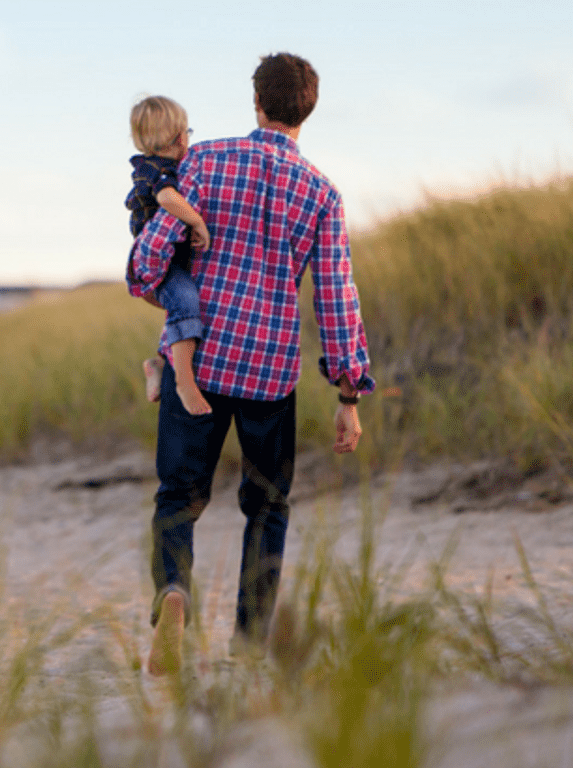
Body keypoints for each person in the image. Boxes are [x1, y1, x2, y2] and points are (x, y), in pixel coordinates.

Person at [128, 53, 374, 675]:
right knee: (267, 507)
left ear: (257, 103)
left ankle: (174, 594)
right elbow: (337, 296)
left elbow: (150, 256)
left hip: (201, 364)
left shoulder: (205, 160)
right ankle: (250, 644)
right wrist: (348, 397)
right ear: (307, 110)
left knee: (177, 499)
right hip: (270, 374)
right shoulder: (322, 193)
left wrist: (151, 282)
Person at [125, 96, 213, 416]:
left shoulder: (168, 166)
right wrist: (196, 220)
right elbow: (166, 197)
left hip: (172, 260)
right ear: (179, 136)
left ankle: (159, 363)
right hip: (158, 264)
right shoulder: (155, 170)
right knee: (186, 301)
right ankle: (184, 383)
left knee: (183, 307)